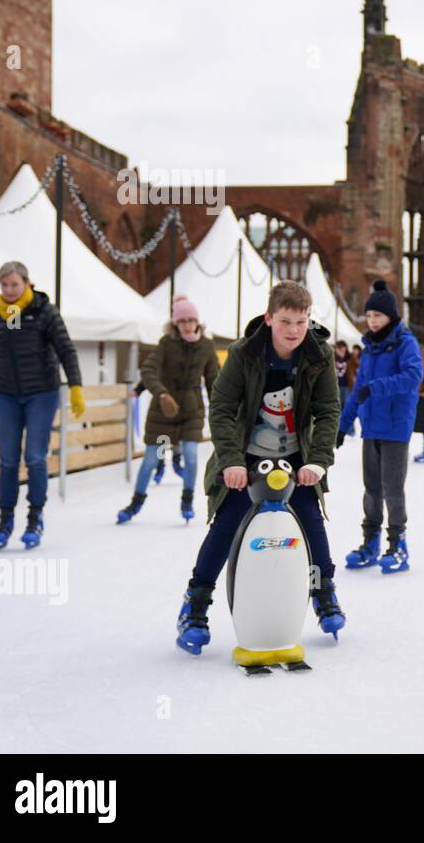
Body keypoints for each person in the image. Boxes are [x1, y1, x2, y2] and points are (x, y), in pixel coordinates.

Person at [175, 281, 345, 656]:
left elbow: (328, 410)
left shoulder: (319, 356)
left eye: (301, 321)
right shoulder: (244, 353)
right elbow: (221, 407)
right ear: (269, 319)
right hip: (249, 456)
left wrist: (318, 461)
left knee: (310, 519)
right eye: (285, 321)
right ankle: (196, 604)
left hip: (297, 455)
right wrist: (232, 462)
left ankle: (324, 593)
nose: (294, 330)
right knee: (229, 520)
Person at [0, 260, 86, 550]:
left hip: (41, 393)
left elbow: (66, 349)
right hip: (7, 394)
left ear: (26, 283)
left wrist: (75, 386)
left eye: (14, 284)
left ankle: (35, 517)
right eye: (4, 285)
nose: (9, 290)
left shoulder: (43, 310)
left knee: (34, 457)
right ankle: (5, 519)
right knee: (8, 459)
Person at [338, 280, 424, 573]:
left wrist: (377, 388)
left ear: (390, 316)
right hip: (372, 427)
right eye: (369, 316)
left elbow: (413, 376)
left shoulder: (405, 342)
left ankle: (398, 545)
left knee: (392, 490)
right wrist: (343, 424)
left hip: (395, 428)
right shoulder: (371, 347)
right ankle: (370, 542)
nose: (372, 321)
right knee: (371, 489)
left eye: (378, 316)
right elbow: (360, 388)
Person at [117, 295, 219, 524]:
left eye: (191, 320)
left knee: (192, 457)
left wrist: (221, 410)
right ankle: (136, 503)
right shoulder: (166, 343)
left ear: (198, 321)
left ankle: (187, 500)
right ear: (175, 323)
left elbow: (214, 381)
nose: (187, 325)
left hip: (191, 413)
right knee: (151, 460)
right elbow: (149, 370)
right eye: (182, 321)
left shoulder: (206, 346)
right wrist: (161, 393)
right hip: (163, 415)